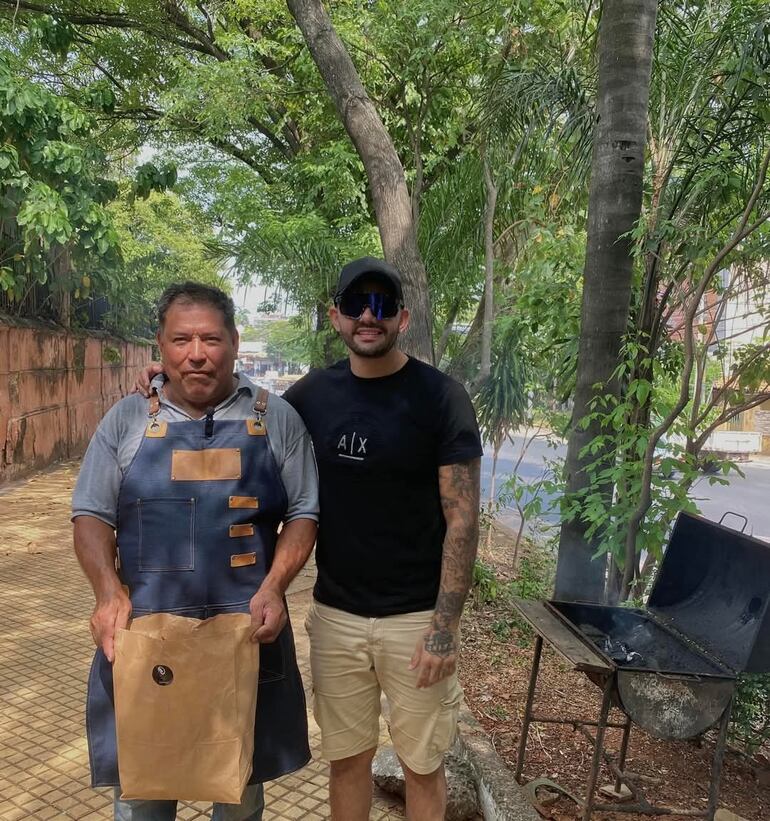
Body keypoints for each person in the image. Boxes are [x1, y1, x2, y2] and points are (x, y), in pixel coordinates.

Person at [136, 258, 482, 821]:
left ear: (403, 316)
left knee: (422, 765)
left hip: (417, 620)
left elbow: (463, 522)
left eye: (382, 305)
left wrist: (444, 628)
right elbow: (236, 399)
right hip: (336, 617)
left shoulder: (440, 397)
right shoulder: (311, 396)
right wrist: (166, 376)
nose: (368, 316)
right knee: (347, 761)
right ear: (335, 316)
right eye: (355, 304)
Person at [72, 282, 319, 821]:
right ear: (159, 346)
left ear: (233, 341)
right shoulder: (128, 420)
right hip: (146, 639)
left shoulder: (275, 419)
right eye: (181, 339)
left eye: (211, 338)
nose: (197, 353)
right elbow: (90, 514)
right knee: (143, 795)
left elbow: (304, 512)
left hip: (245, 636)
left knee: (239, 793)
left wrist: (276, 586)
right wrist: (107, 592)